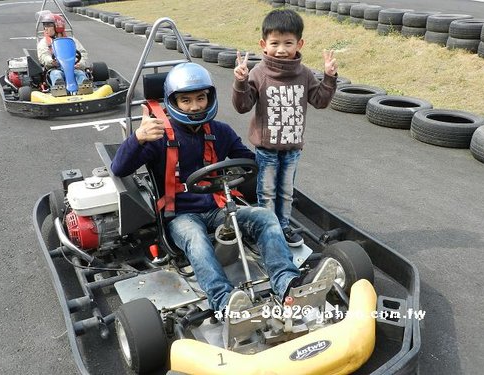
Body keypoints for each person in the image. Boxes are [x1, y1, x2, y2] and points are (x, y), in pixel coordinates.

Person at [111, 62, 323, 320]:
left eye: (201, 98)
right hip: (180, 216)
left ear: (209, 97)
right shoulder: (158, 136)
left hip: (219, 207)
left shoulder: (220, 131)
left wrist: (247, 169)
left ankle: (287, 283)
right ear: (172, 101)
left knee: (266, 218)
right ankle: (224, 302)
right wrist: (138, 138)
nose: (195, 106)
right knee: (196, 240)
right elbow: (119, 167)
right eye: (186, 100)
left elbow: (247, 163)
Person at [232, 9, 338, 247]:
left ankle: (284, 226)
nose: (281, 49)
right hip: (266, 149)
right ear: (263, 44)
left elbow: (320, 101)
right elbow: (242, 106)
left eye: (288, 43)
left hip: (292, 148)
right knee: (267, 193)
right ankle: (267, 231)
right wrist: (240, 81)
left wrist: (329, 78)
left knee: (286, 193)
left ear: (299, 43)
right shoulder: (258, 74)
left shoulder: (304, 73)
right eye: (275, 43)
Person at [37, 12, 89, 87]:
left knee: (80, 74)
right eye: (44, 25)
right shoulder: (44, 42)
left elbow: (82, 53)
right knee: (56, 75)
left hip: (73, 67)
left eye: (48, 25)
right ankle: (59, 88)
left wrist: (80, 63)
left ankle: (84, 87)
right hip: (55, 68)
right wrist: (50, 61)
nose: (45, 28)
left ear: (57, 26)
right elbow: (43, 55)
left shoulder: (71, 41)